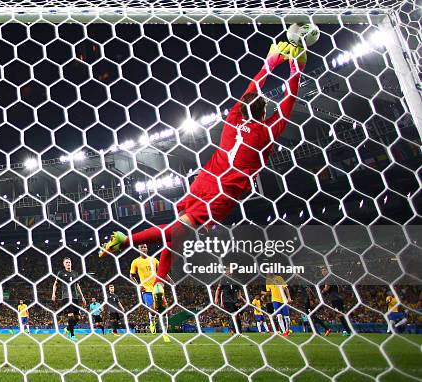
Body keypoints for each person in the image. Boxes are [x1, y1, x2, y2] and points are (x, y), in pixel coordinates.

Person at [99, 41, 307, 312]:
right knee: (176, 231)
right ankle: (126, 240)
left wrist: (271, 61)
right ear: (264, 113)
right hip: (226, 190)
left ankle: (160, 280)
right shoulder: (267, 132)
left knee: (177, 232)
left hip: (206, 179)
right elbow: (288, 102)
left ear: (243, 108)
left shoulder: (234, 118)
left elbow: (250, 91)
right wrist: (297, 66)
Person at [129, 244, 174, 336]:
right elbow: (131, 276)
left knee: (164, 310)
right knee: (153, 310)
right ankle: (152, 320)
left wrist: (171, 281)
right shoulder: (135, 262)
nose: (143, 248)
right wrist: (138, 285)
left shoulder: (154, 260)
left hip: (158, 288)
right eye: (141, 247)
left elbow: (163, 272)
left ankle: (165, 331)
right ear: (138, 249)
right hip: (146, 290)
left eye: (145, 247)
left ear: (147, 248)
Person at [52, 257, 86, 341]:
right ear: (64, 264)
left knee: (77, 318)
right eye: (66, 262)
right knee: (70, 316)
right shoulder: (61, 273)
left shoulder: (75, 273)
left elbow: (77, 285)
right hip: (66, 297)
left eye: (69, 262)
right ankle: (72, 335)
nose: (68, 264)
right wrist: (53, 294)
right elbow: (55, 284)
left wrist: (82, 296)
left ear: (71, 263)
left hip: (75, 297)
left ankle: (67, 329)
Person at [321, 267, 351, 336]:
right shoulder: (332, 278)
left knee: (340, 315)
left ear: (328, 271)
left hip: (335, 299)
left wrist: (322, 292)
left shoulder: (327, 278)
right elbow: (338, 288)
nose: (323, 272)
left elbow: (326, 288)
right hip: (338, 298)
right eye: (322, 271)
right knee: (342, 315)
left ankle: (348, 331)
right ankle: (348, 330)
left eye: (324, 270)